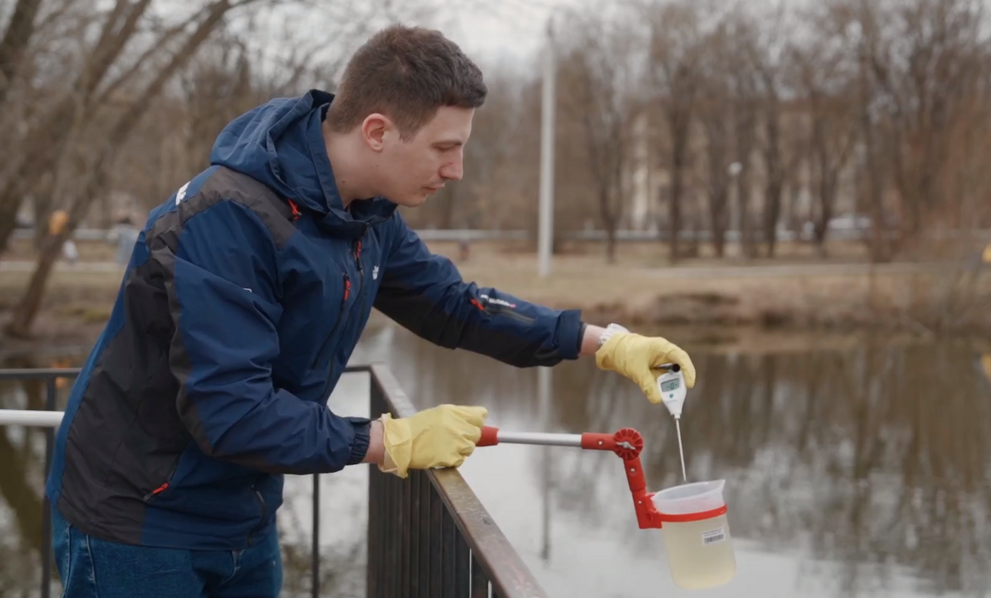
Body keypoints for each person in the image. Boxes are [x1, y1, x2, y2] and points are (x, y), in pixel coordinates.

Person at [44, 25, 696, 598]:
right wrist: (388, 441)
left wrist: (603, 342)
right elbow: (232, 414)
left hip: (240, 509)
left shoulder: (364, 214)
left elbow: (452, 304)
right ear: (378, 131)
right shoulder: (230, 217)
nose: (458, 169)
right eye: (445, 147)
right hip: (138, 520)